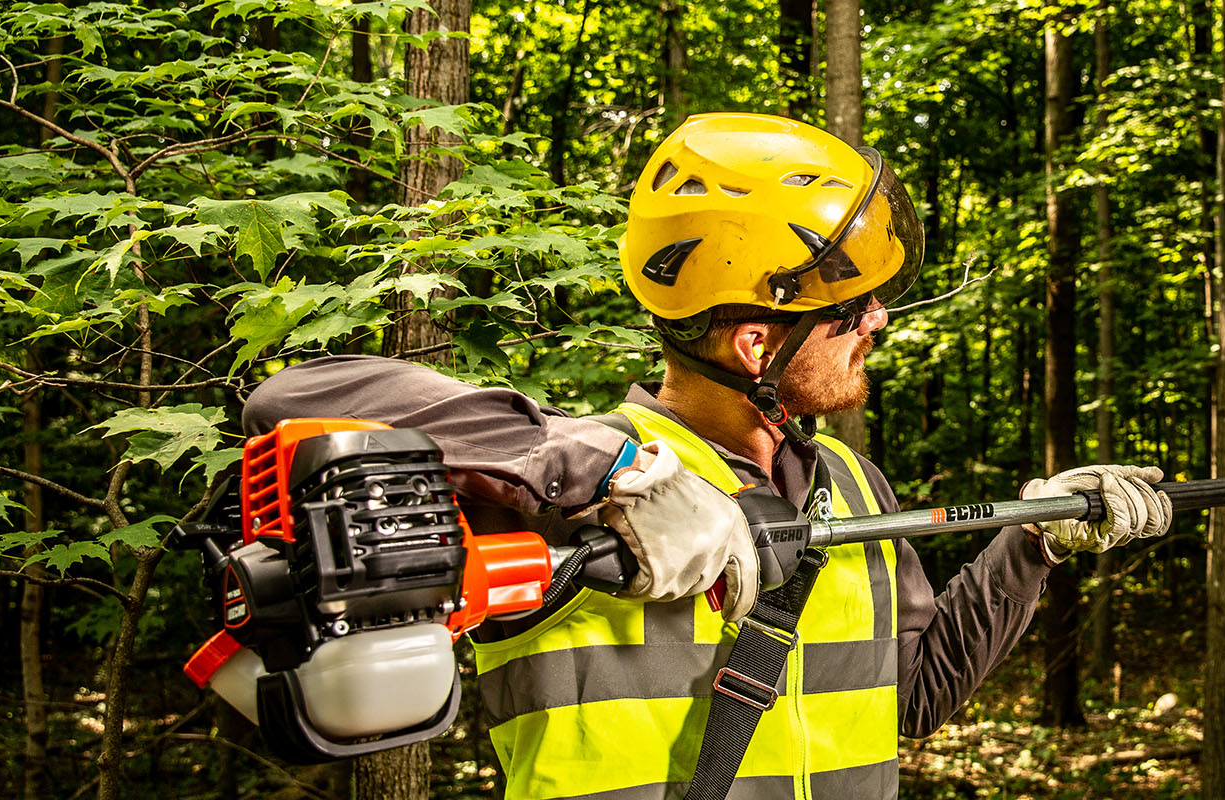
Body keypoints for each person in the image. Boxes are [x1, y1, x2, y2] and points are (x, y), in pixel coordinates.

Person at [244, 112, 1173, 800]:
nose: (879, 321)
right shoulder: (570, 474)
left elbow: (903, 707)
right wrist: (612, 477)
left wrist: (1033, 540)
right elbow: (293, 395)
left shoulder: (851, 484)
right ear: (759, 347)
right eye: (850, 309)